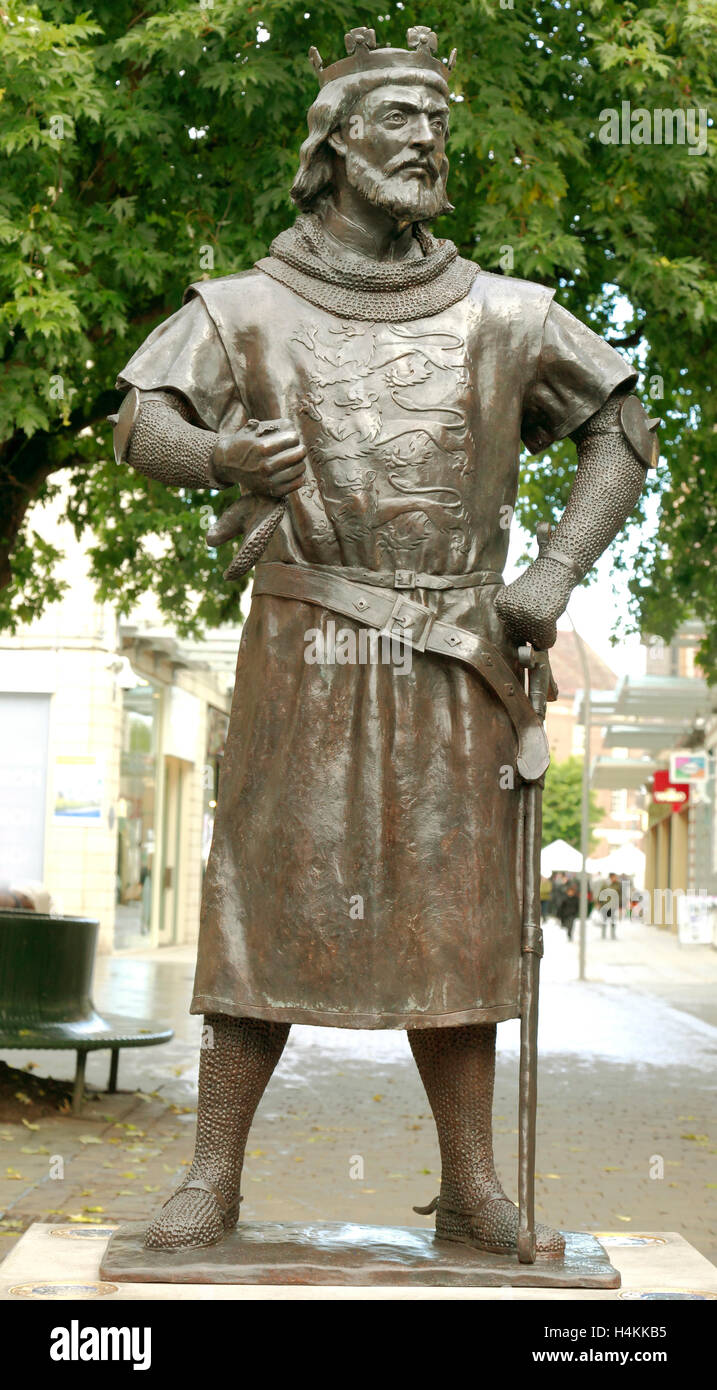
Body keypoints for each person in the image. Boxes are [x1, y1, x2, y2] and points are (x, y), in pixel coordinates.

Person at [111, 22, 658, 1256]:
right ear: (335, 144)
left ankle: (472, 1185)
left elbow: (620, 426)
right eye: (402, 121)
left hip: (461, 655)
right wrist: (222, 456)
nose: (427, 143)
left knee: (454, 918)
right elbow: (143, 422)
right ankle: (214, 1177)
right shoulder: (245, 306)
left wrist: (555, 571)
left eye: (438, 125)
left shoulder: (512, 313)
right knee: (264, 899)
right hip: (304, 647)